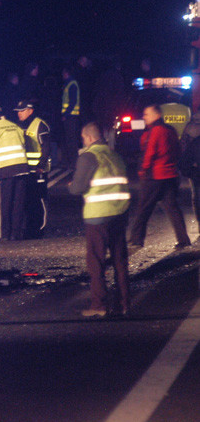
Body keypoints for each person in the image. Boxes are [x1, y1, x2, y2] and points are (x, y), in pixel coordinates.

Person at [68, 122, 131, 317]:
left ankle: (99, 305)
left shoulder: (88, 156)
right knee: (120, 261)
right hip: (120, 213)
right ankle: (124, 304)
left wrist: (71, 185)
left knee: (96, 262)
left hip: (98, 216)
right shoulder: (114, 155)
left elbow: (77, 188)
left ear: (87, 137)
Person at [128, 104, 191, 249]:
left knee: (143, 208)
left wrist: (143, 170)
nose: (144, 117)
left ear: (156, 115)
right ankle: (183, 239)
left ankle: (137, 238)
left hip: (154, 176)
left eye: (147, 114)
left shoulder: (155, 131)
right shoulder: (170, 130)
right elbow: (178, 150)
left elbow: (149, 153)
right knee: (172, 208)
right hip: (170, 175)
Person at [0, 107, 29, 241]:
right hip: (22, 168)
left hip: (3, 171)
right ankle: (16, 234)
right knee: (18, 203)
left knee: (3, 204)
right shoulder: (15, 126)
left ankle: (3, 234)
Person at [15, 100, 51, 238]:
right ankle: (29, 228)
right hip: (26, 170)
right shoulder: (18, 125)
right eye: (18, 111)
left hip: (38, 171)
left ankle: (39, 229)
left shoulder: (40, 125)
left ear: (30, 110)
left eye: (22, 110)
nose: (19, 113)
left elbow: (46, 147)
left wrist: (40, 166)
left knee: (39, 200)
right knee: (27, 200)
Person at [179, 111, 200, 242]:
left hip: (196, 174)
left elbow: (184, 155)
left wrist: (189, 172)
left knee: (197, 200)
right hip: (196, 172)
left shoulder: (190, 129)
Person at [61, 66, 81, 168]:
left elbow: (72, 101)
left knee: (71, 140)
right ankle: (72, 162)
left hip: (71, 117)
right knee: (70, 140)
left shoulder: (71, 84)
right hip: (70, 116)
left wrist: (66, 114)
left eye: (63, 73)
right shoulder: (69, 84)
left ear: (66, 73)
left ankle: (74, 162)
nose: (62, 75)